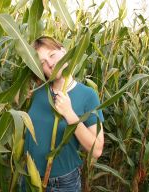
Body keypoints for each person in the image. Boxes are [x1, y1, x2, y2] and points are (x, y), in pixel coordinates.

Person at [22, 36, 104, 192]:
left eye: (52, 55)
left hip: (62, 184)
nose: (50, 64)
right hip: (29, 178)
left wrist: (70, 114)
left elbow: (97, 149)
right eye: (42, 62)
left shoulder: (88, 95)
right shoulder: (36, 93)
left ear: (64, 51)